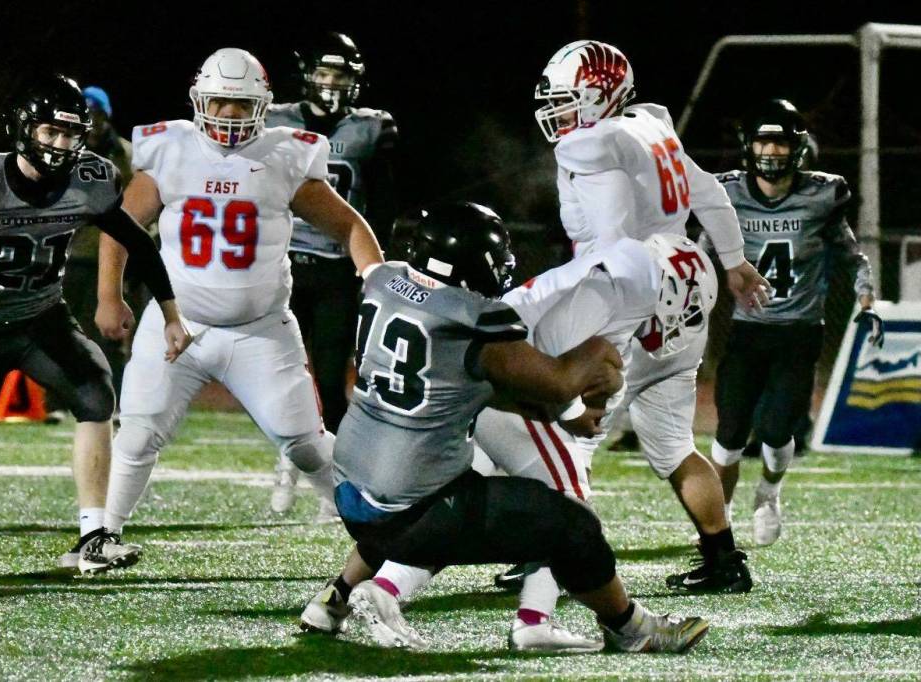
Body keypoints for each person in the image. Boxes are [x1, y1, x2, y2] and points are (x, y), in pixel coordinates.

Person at [301, 202, 709, 653]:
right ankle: (631, 628)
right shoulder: (470, 320)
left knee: (446, 483)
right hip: (414, 511)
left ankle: (334, 598)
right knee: (573, 525)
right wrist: (598, 353)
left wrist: (563, 413)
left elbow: (472, 385)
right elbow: (556, 382)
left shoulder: (385, 282)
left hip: (352, 492)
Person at [91, 48, 385, 573]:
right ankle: (102, 536)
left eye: (240, 103)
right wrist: (108, 296)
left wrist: (376, 279)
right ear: (199, 101)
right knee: (137, 431)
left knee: (306, 446)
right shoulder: (170, 147)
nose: (228, 114)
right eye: (219, 102)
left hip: (260, 331)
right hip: (177, 323)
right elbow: (121, 227)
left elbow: (350, 225)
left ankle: (375, 528)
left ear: (264, 106)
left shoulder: (286, 154)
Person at [0, 74, 189, 579]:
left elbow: (138, 243)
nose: (60, 145)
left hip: (41, 318)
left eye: (70, 134)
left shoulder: (90, 181)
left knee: (96, 392)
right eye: (50, 132)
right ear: (22, 128)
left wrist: (169, 313)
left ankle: (94, 534)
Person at [531, 40, 770, 593]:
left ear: (599, 94)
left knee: (568, 438)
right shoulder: (650, 128)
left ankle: (550, 565)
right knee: (672, 444)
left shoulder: (591, 145)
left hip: (632, 297)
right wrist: (734, 263)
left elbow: (613, 244)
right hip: (685, 285)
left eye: (570, 100)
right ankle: (724, 561)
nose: (559, 113)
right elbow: (709, 194)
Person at [706, 99, 879, 546]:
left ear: (798, 147)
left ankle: (768, 494)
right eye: (764, 139)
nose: (771, 151)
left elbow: (851, 253)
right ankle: (718, 520)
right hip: (747, 328)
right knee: (727, 432)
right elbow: (695, 249)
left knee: (777, 430)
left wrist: (866, 293)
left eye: (780, 141)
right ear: (748, 145)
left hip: (800, 333)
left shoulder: (823, 194)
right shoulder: (726, 192)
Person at [265, 32, 398, 514]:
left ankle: (336, 478)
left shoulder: (370, 128)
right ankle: (287, 464)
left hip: (337, 269)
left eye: (338, 74)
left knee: (326, 378)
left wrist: (376, 263)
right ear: (306, 75)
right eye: (323, 73)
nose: (329, 83)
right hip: (280, 267)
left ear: (354, 80)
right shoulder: (275, 121)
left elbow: (381, 203)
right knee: (282, 379)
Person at [45, 85, 137, 424]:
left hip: (111, 258)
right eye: (88, 116)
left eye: (98, 116)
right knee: (60, 330)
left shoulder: (126, 154)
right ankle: (56, 402)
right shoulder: (63, 149)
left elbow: (140, 205)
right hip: (68, 254)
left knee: (111, 333)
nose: (93, 123)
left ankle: (111, 402)